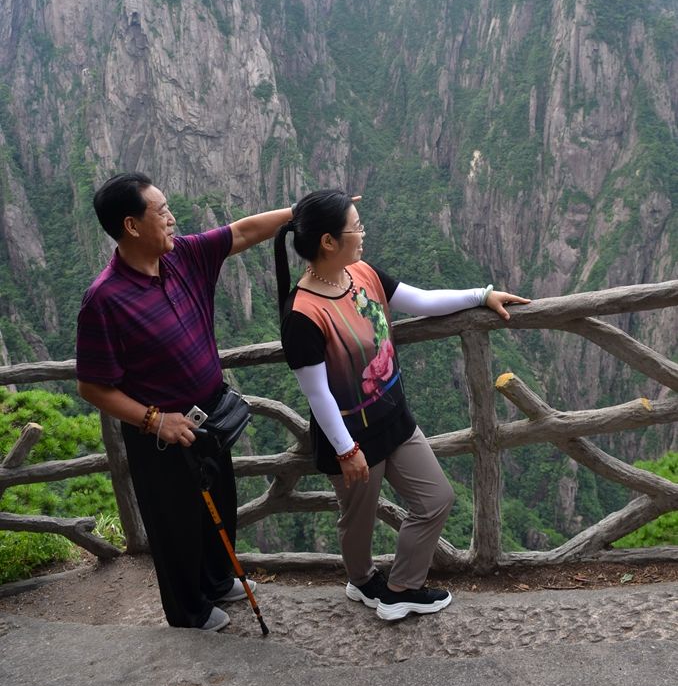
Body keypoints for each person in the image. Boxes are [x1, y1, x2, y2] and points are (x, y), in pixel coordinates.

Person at [274, 189, 529, 622]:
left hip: (393, 417)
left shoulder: (362, 274)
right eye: (355, 227)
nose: (363, 233)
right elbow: (317, 394)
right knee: (358, 518)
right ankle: (361, 580)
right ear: (328, 242)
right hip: (350, 435)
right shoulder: (302, 315)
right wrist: (346, 450)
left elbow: (421, 300)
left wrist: (481, 295)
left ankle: (401, 588)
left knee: (436, 498)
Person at [76, 172, 295, 632]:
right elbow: (93, 387)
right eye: (162, 212)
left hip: (208, 417)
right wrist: (155, 420)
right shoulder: (104, 300)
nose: (172, 219)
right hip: (160, 435)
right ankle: (188, 613)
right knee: (175, 524)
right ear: (132, 225)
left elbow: (242, 232)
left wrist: (300, 212)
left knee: (219, 504)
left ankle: (216, 580)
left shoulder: (184, 257)